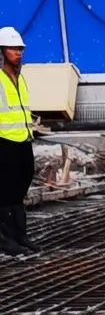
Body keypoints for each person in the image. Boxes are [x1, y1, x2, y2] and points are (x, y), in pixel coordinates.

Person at [0, 26, 36, 258]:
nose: (18, 53)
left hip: (22, 139)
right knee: (5, 191)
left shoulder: (20, 78)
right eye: (13, 49)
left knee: (21, 186)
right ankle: (6, 239)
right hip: (4, 142)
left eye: (20, 49)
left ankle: (20, 234)